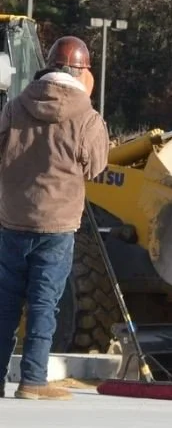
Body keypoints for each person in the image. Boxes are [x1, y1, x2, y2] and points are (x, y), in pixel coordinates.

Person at [0, 36, 110, 400]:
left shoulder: (16, 106)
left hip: (12, 221)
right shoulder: (87, 117)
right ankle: (33, 379)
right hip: (58, 226)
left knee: (5, 305)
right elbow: (96, 166)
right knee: (44, 304)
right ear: (81, 72)